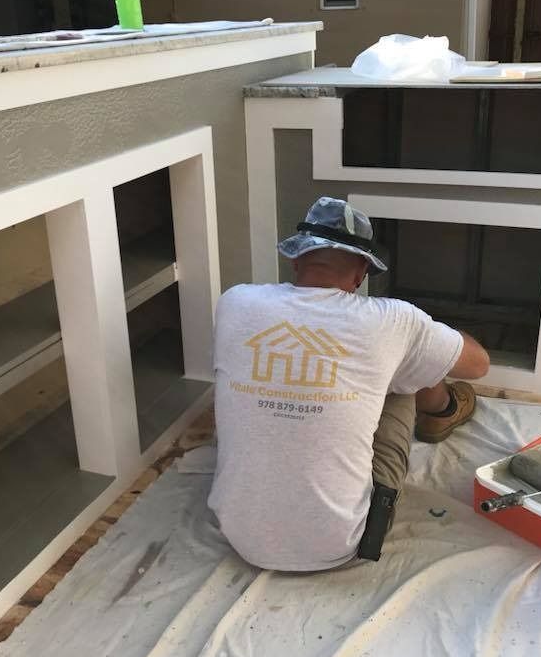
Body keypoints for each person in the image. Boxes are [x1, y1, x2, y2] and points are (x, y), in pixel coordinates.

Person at [208, 196, 490, 572]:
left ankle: (438, 404)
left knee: (384, 361)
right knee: (403, 364)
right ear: (361, 274)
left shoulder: (235, 302)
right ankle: (444, 410)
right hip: (342, 541)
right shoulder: (393, 322)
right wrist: (430, 335)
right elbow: (479, 364)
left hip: (240, 534)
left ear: (296, 260)